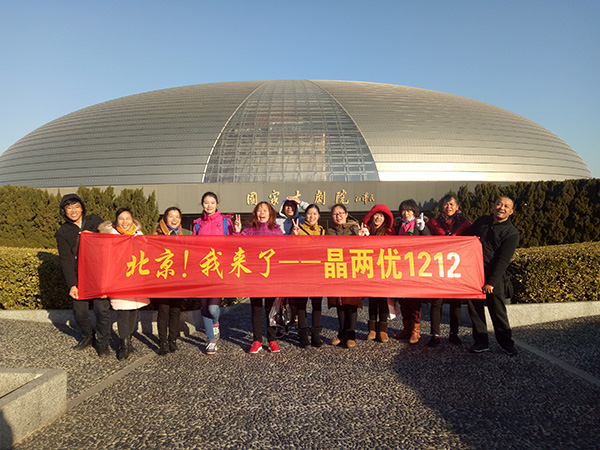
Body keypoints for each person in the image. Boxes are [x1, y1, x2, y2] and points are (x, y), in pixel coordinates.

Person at [55, 193, 111, 357]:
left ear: (82, 208)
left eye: (76, 207)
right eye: (69, 208)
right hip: (79, 276)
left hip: (99, 275)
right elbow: (65, 260)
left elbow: (110, 238)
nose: (73, 211)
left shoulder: (95, 221)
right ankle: (88, 336)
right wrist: (72, 285)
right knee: (80, 312)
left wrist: (94, 235)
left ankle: (103, 343)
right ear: (64, 211)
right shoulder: (62, 232)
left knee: (102, 310)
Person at [465, 196, 520, 355]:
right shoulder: (482, 221)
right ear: (494, 206)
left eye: (506, 206)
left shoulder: (511, 233)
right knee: (475, 311)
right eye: (499, 204)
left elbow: (503, 260)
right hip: (474, 274)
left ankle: (506, 343)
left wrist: (491, 282)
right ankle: (481, 342)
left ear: (511, 211)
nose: (501, 208)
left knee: (498, 312)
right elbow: (465, 237)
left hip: (494, 278)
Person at [99, 208, 150, 360]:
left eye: (128, 218)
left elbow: (147, 253)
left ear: (132, 220)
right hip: (118, 279)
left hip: (136, 278)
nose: (125, 222)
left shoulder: (138, 234)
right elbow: (105, 258)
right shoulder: (110, 235)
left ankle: (129, 340)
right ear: (116, 221)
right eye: (121, 219)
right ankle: (123, 345)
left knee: (134, 310)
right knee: (123, 311)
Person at [234, 202, 284, 353]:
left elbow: (284, 249)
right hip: (254, 274)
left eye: (265, 210)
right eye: (259, 210)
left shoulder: (276, 230)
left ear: (270, 213)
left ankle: (272, 340)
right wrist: (237, 232)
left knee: (271, 309)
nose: (262, 213)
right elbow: (237, 246)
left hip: (271, 275)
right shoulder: (250, 229)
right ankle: (257, 341)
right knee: (256, 308)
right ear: (255, 213)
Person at [426, 194, 472, 347]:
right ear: (442, 206)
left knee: (455, 302)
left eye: (452, 204)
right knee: (436, 302)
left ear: (457, 206)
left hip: (457, 268)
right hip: (438, 267)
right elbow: (426, 240)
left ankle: (454, 333)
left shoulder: (466, 223)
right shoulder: (434, 223)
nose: (449, 207)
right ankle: (435, 334)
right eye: (446, 204)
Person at [192, 192, 234, 355]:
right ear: (202, 204)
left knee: (213, 308)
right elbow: (193, 247)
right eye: (206, 202)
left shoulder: (225, 222)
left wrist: (237, 232)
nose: (209, 205)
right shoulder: (197, 224)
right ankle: (210, 340)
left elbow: (234, 244)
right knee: (204, 306)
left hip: (218, 270)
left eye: (212, 202)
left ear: (217, 204)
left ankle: (215, 323)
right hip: (202, 270)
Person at [393, 199, 430, 344]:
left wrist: (423, 229)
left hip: (415, 268)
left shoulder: (420, 224)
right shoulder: (398, 225)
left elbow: (430, 241)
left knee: (414, 300)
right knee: (403, 300)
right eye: (403, 210)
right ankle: (406, 328)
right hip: (400, 268)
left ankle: (416, 331)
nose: (406, 213)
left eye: (409, 210)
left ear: (414, 212)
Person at [326, 203, 363, 348]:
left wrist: (362, 238)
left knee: (352, 303)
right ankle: (341, 334)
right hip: (337, 270)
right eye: (335, 214)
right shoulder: (330, 231)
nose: (338, 216)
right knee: (339, 303)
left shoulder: (355, 229)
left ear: (346, 215)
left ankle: (351, 335)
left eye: (341, 213)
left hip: (352, 271)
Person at [154, 206, 189, 355]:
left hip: (178, 279)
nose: (174, 219)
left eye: (177, 217)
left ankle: (172, 340)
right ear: (165, 218)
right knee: (163, 311)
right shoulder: (157, 235)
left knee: (175, 310)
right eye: (171, 216)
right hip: (163, 279)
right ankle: (162, 342)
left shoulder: (184, 236)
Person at [358, 204, 395, 343]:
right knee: (372, 301)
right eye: (376, 215)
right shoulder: (366, 230)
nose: (378, 218)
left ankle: (383, 330)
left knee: (384, 300)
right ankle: (372, 329)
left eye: (381, 215)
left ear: (385, 218)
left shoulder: (390, 232)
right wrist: (361, 238)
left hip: (384, 271)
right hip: (369, 271)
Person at [291, 204, 326, 348]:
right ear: (305, 215)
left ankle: (316, 334)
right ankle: (303, 334)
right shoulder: (298, 229)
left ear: (319, 216)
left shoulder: (322, 231)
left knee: (317, 304)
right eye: (309, 213)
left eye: (315, 214)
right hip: (302, 271)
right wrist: (295, 236)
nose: (312, 216)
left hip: (317, 272)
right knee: (301, 304)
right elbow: (292, 250)